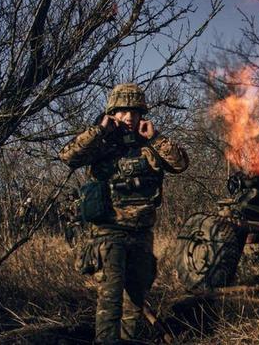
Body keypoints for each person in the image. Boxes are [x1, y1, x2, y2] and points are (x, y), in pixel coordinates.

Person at [59, 83, 188, 343]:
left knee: (135, 301)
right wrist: (99, 130)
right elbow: (68, 156)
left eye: (134, 112)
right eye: (122, 112)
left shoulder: (149, 145)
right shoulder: (101, 143)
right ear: (112, 114)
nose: (129, 117)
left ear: (142, 114)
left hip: (141, 234)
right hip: (109, 233)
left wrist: (155, 137)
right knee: (110, 299)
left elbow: (180, 163)